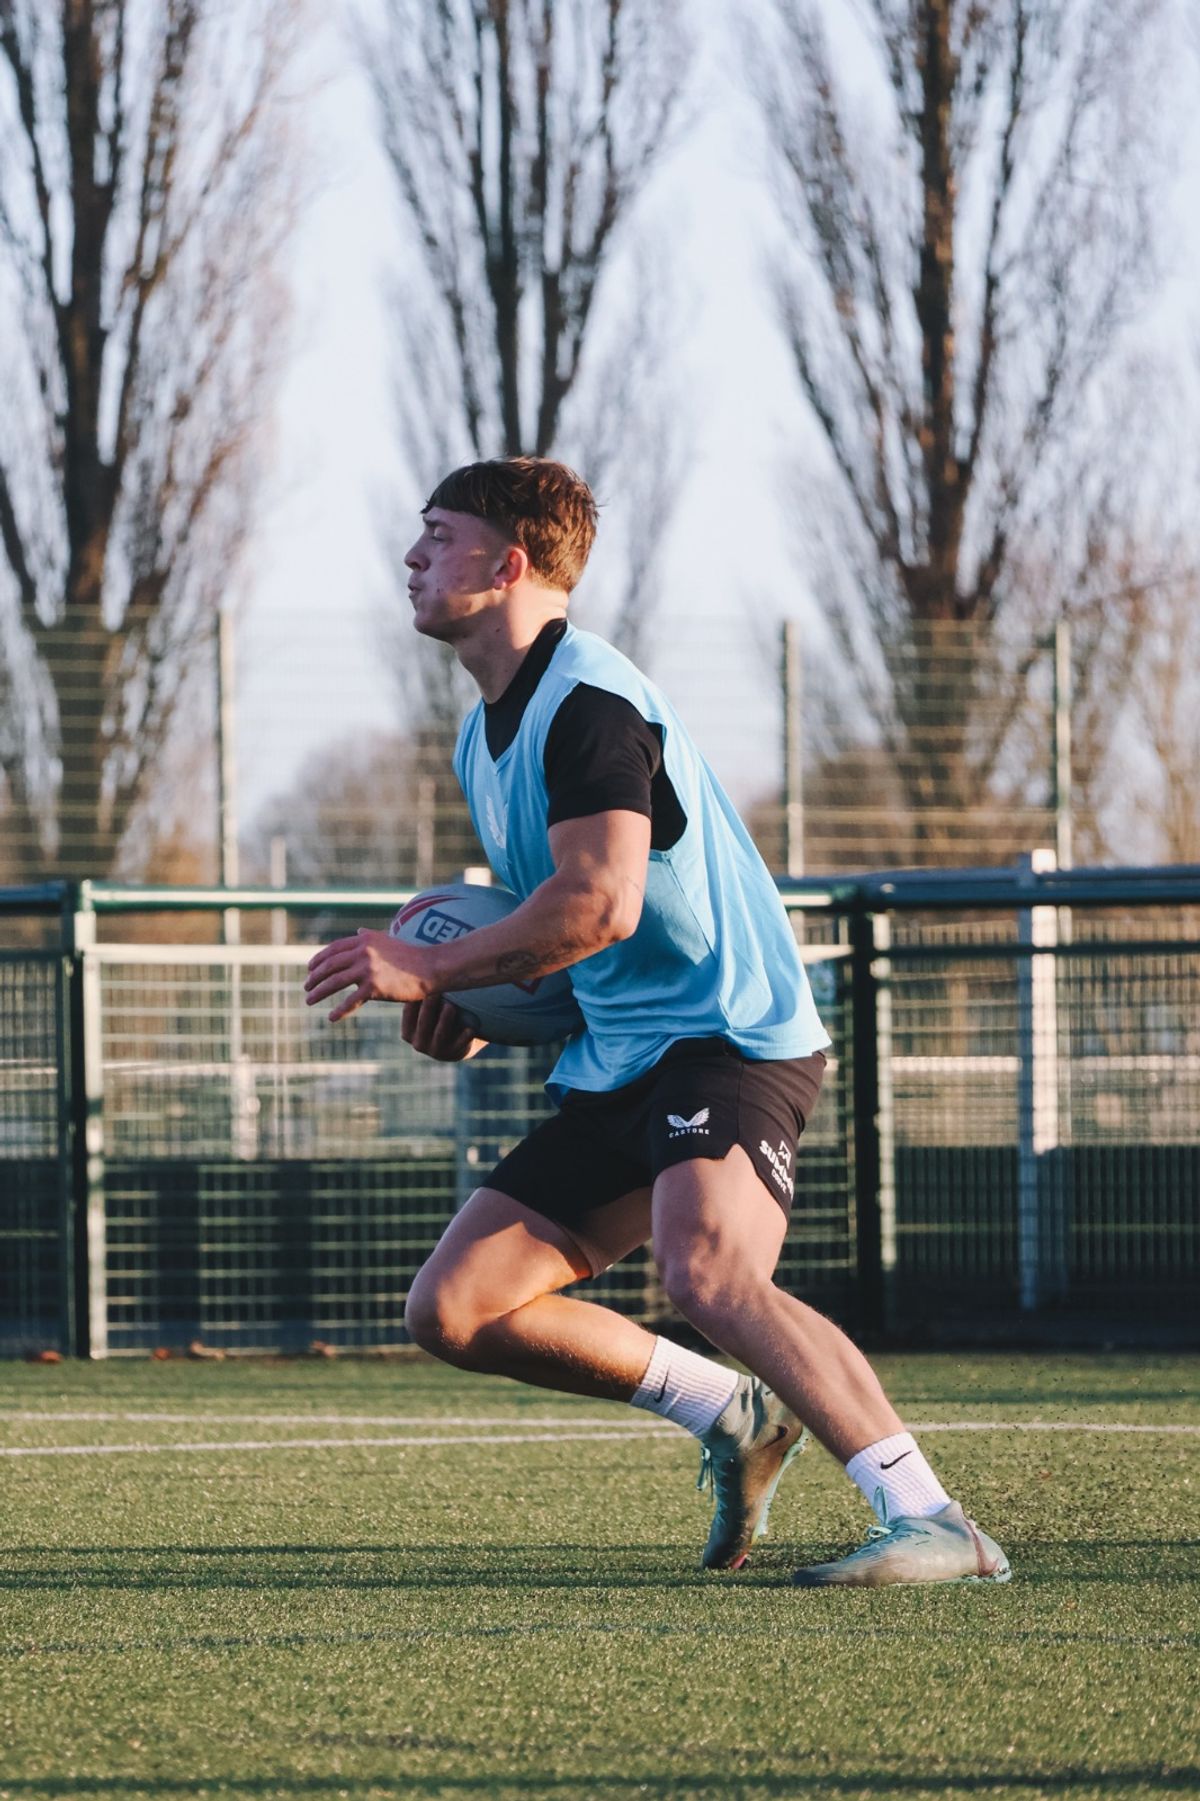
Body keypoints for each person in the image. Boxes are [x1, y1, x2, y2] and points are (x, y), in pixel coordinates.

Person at [304, 457, 1009, 1587]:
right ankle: (730, 1410)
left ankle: (934, 1518)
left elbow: (601, 902)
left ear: (509, 563)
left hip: (729, 1036)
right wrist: (472, 1006)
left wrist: (430, 962)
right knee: (454, 1307)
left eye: (439, 533)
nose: (413, 555)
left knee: (711, 1268)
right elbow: (562, 937)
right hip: (621, 1053)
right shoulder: (483, 733)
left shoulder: (590, 704)